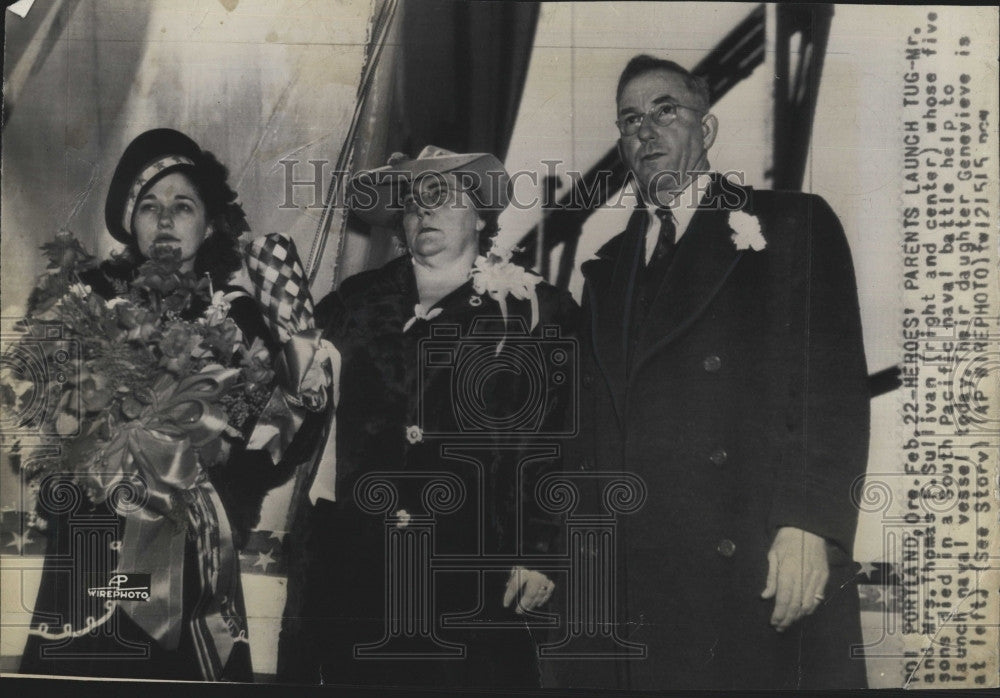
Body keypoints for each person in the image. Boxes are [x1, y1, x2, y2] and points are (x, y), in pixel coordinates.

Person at [549, 55, 870, 689]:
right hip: (634, 581)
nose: (646, 130)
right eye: (631, 119)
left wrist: (811, 525)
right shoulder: (606, 269)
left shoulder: (791, 223)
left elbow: (831, 389)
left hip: (754, 560)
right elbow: (591, 436)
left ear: (708, 130)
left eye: (666, 110)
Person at [277, 146, 578, 687]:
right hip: (356, 565)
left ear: (482, 214)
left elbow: (560, 437)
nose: (424, 210)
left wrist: (540, 550)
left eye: (442, 195)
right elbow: (293, 409)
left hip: (472, 567)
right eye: (412, 202)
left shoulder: (536, 310)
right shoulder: (353, 301)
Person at [20, 129, 283, 681]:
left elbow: (253, 438)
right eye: (149, 206)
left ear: (209, 224)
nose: (164, 219)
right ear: (131, 223)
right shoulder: (82, 298)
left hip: (188, 551)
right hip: (93, 541)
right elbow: (36, 406)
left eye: (182, 206)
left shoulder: (242, 320)